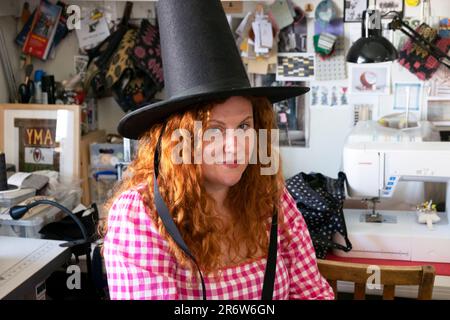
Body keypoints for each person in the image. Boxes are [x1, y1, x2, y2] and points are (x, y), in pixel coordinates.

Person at [102, 0, 333, 300]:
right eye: (214, 130)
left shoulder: (272, 201)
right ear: (179, 138)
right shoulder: (140, 216)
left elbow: (312, 293)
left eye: (244, 126)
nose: (235, 146)